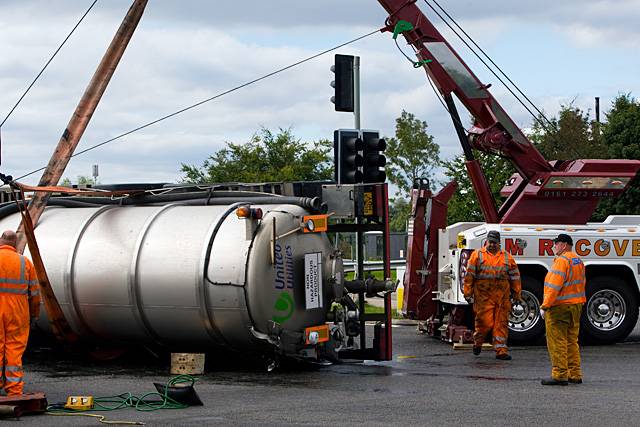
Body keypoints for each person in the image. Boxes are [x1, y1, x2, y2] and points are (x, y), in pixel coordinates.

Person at [463, 230, 521, 360]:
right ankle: (477, 343)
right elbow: (469, 276)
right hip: (484, 297)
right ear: (486, 241)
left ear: (499, 243)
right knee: (485, 323)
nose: (492, 245)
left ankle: (501, 350)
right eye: (490, 242)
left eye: (495, 243)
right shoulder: (477, 255)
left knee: (501, 324)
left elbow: (515, 277)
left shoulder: (507, 257)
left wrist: (517, 293)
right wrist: (468, 292)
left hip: (502, 297)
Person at [540, 233, 586, 386]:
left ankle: (559, 375)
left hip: (560, 307)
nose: (554, 246)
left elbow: (553, 287)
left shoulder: (561, 261)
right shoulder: (578, 260)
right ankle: (575, 374)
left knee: (557, 341)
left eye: (556, 243)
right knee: (572, 341)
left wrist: (545, 306)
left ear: (564, 245)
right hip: (576, 306)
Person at [0, 230, 40, 395]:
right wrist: (34, 314)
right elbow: (35, 293)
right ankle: (14, 391)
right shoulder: (25, 262)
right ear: (15, 244)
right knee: (14, 350)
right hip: (18, 313)